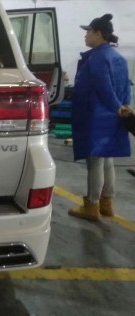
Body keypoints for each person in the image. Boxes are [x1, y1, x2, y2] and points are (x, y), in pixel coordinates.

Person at [68, 13, 131, 221]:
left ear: (98, 34)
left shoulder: (97, 57)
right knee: (107, 159)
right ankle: (107, 203)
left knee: (95, 161)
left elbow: (103, 87)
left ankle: (92, 205)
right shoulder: (117, 57)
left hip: (97, 116)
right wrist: (123, 108)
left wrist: (115, 107)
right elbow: (126, 87)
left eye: (88, 32)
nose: (85, 35)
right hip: (114, 117)